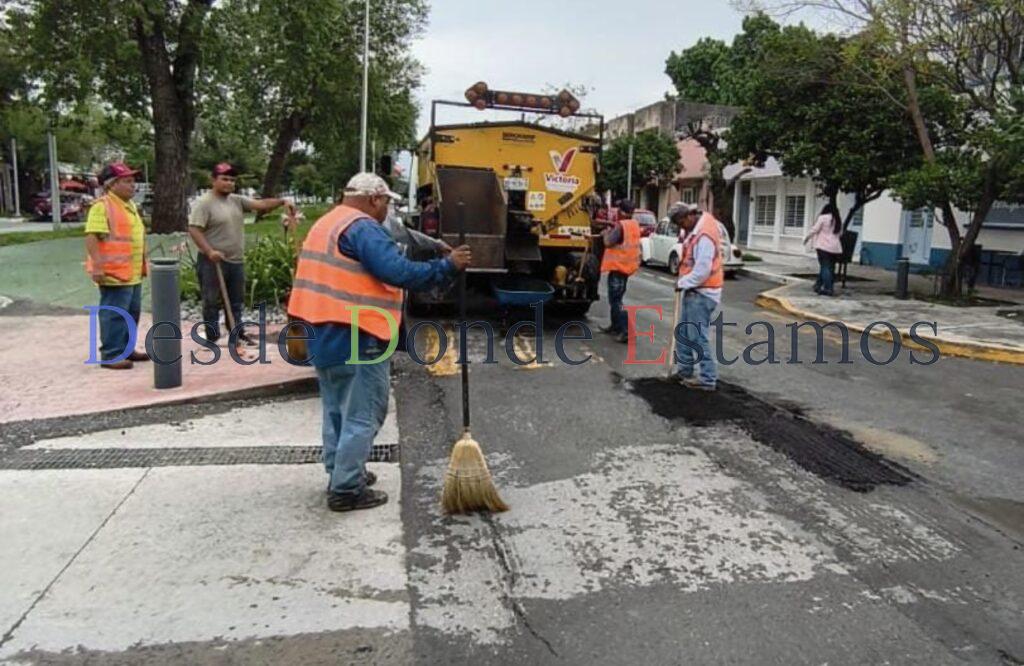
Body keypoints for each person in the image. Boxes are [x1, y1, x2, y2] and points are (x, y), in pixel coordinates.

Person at [288, 173, 472, 513]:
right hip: (358, 332)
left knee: (336, 410)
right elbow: (398, 271)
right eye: (386, 202)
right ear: (374, 199)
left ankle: (342, 470)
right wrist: (447, 266)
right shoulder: (363, 228)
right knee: (364, 412)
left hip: (321, 330)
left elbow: (399, 238)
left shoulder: (329, 222)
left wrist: (433, 246)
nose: (387, 209)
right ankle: (346, 489)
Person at [188, 163, 296, 344]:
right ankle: (212, 336)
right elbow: (194, 229)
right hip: (213, 260)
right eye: (224, 179)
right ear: (213, 180)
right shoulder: (204, 203)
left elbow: (261, 204)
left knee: (236, 301)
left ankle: (236, 334)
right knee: (211, 301)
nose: (229, 183)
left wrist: (282, 201)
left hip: (235, 260)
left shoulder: (236, 200)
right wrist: (209, 251)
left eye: (232, 180)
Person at [84, 162, 149, 370]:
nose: (133, 186)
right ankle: (112, 354)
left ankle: (126, 349)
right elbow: (92, 236)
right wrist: (97, 265)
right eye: (127, 181)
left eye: (133, 181)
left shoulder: (128, 206)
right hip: (114, 272)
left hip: (131, 271)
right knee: (114, 313)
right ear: (112, 184)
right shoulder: (102, 206)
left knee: (132, 312)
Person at [670, 202, 724, 391]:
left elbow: (702, 270)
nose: (681, 227)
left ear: (689, 216)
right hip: (694, 291)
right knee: (684, 332)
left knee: (697, 336)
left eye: (681, 223)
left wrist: (682, 283)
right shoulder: (695, 230)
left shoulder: (704, 235)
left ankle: (708, 378)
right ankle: (685, 370)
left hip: (703, 292)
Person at [599, 199, 642, 343]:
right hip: (627, 267)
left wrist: (605, 233)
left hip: (618, 268)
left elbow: (608, 242)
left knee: (616, 301)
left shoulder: (620, 226)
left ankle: (625, 331)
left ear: (621, 211)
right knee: (615, 299)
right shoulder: (634, 225)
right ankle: (615, 326)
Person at [804, 203, 843, 296]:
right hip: (835, 248)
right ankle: (818, 285)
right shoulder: (838, 219)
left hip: (823, 246)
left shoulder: (823, 217)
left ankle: (828, 288)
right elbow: (840, 233)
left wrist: (807, 238)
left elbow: (815, 229)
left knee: (825, 267)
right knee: (830, 267)